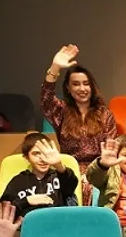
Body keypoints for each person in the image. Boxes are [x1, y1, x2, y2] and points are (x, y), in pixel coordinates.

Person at [41, 45, 118, 206]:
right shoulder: (61, 111)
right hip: (68, 170)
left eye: (86, 84)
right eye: (76, 84)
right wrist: (55, 67)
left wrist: (95, 171)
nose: (82, 88)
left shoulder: (105, 114)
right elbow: (46, 98)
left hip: (99, 170)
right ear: (68, 88)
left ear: (92, 87)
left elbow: (110, 149)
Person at [0, 133, 79, 219]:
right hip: (28, 225)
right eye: (36, 154)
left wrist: (58, 165)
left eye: (45, 154)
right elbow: (4, 211)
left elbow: (71, 184)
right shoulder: (17, 181)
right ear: (26, 157)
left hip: (57, 223)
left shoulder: (60, 176)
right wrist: (27, 201)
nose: (42, 159)